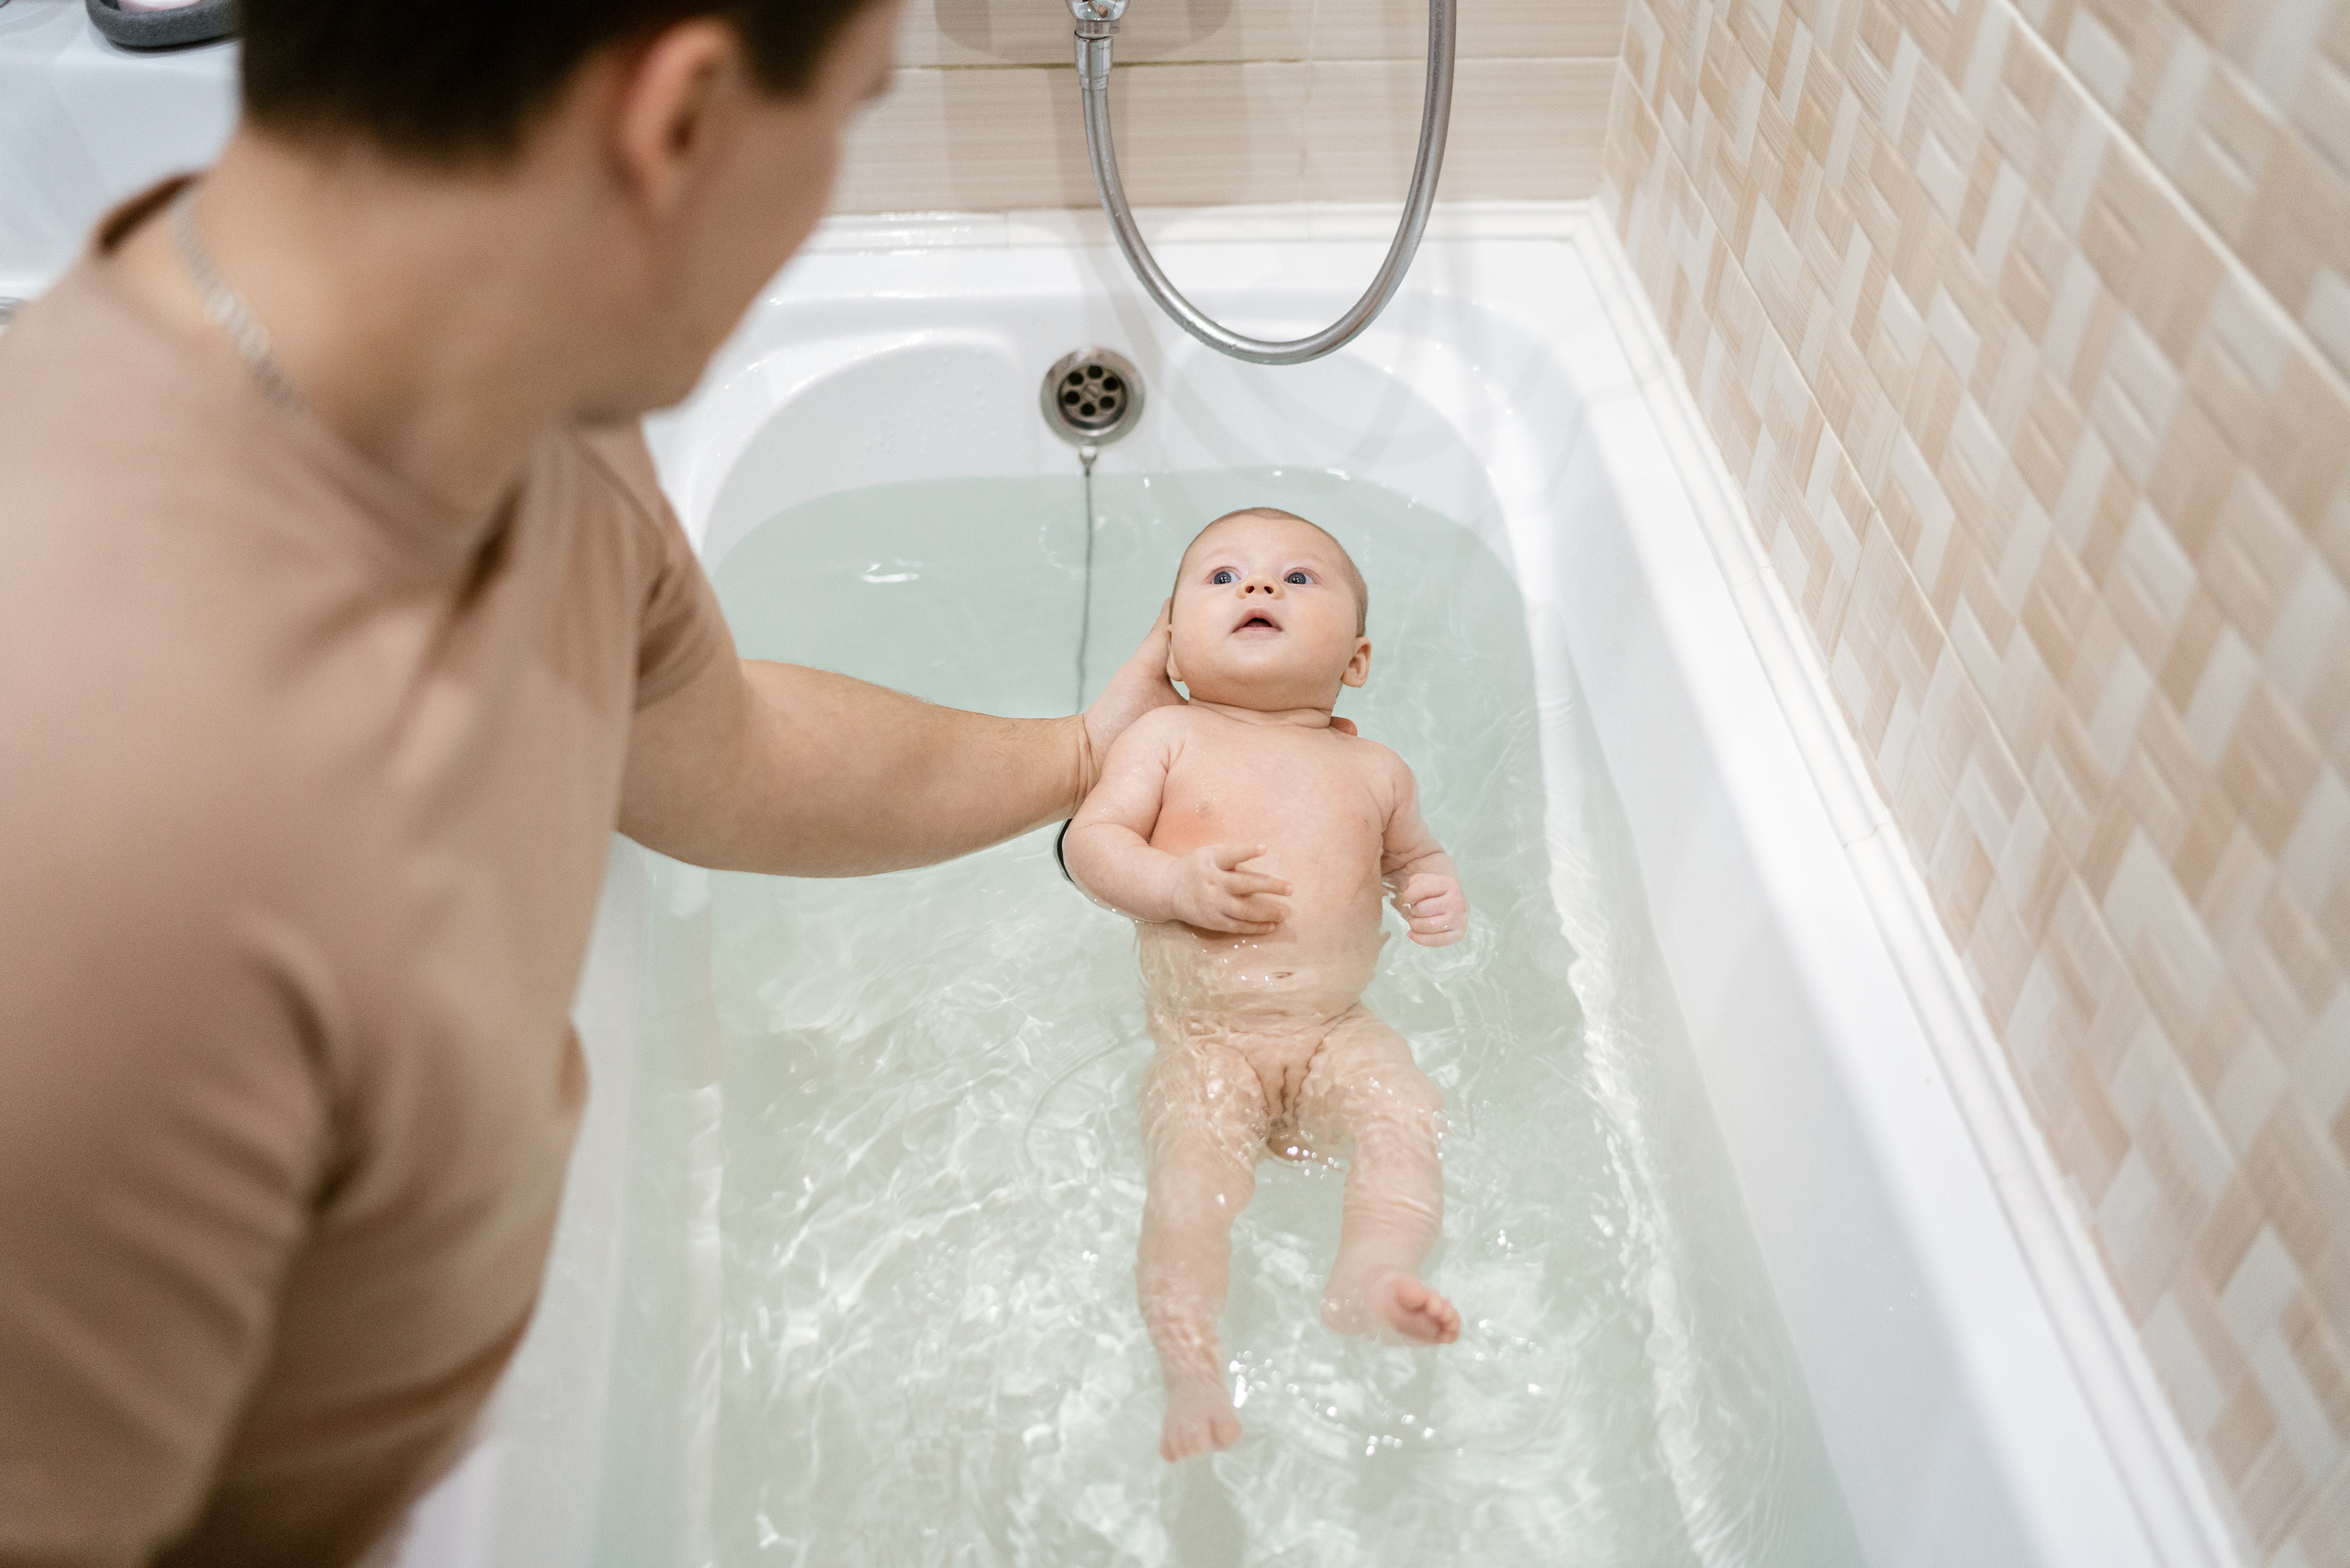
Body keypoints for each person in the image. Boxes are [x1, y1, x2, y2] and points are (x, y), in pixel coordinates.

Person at [0, 2, 1182, 1563]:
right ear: (679, 118)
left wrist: (1084, 757)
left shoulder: (513, 404)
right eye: (842, 114)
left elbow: (720, 753)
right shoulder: (108, 812)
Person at [1060, 508, 1470, 1463]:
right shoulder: (1166, 738)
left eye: (1296, 579)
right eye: (1223, 577)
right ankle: (1191, 1366)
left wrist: (1431, 889)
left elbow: (1415, 859)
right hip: (1205, 1040)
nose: (1257, 588)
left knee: (1406, 1116)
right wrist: (1173, 884)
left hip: (1336, 1026)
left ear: (1356, 661)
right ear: (1171, 644)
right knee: (1190, 1194)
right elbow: (1091, 844)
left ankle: (1371, 1274)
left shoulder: (1376, 768)